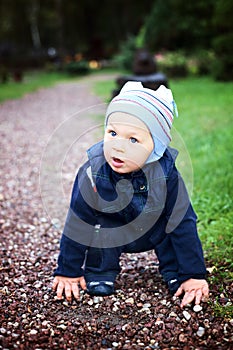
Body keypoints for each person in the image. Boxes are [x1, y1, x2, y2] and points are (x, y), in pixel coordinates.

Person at [52, 82, 209, 308]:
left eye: (133, 140)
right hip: (111, 228)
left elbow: (183, 221)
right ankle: (100, 270)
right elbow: (78, 222)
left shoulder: (166, 176)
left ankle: (177, 271)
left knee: (170, 228)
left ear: (156, 146)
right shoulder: (92, 174)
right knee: (100, 229)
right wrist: (68, 271)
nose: (118, 146)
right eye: (113, 133)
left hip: (154, 228)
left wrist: (195, 273)